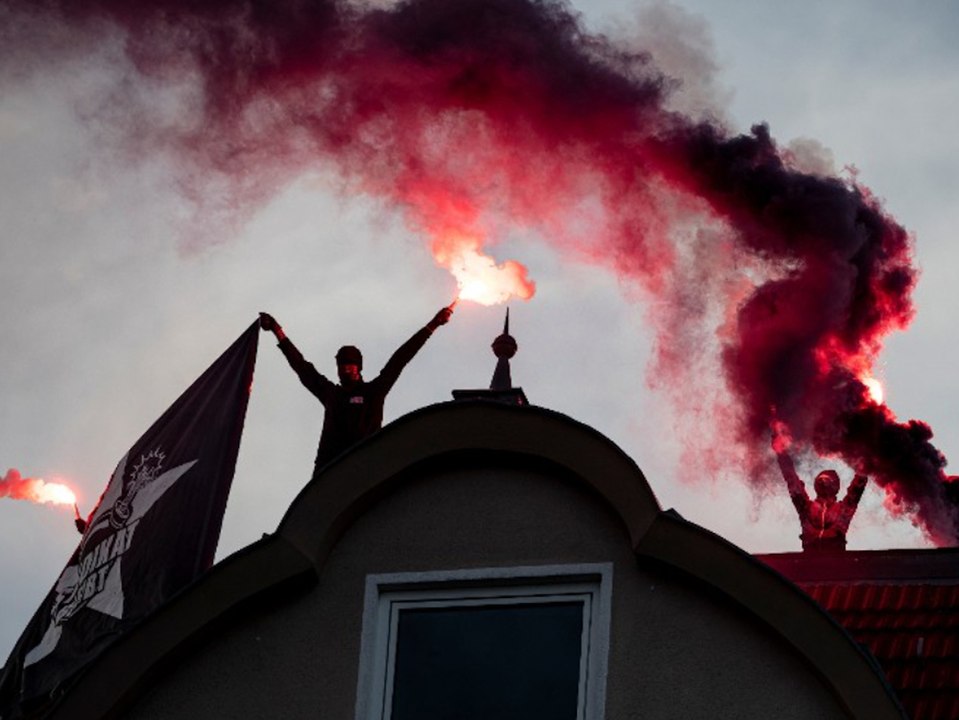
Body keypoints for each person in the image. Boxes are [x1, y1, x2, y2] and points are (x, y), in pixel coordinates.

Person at [259, 306, 453, 476]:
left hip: (365, 465)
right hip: (329, 468)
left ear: (359, 367)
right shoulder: (331, 394)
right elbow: (301, 366)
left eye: (351, 364)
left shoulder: (374, 392)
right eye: (342, 364)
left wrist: (433, 324)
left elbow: (400, 358)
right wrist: (277, 330)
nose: (346, 368)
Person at [772, 428, 867, 552]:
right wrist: (781, 452)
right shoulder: (806, 507)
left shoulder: (844, 510)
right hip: (809, 561)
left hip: (836, 562)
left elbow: (857, 487)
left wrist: (867, 456)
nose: (824, 483)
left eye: (828, 480)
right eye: (821, 480)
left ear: (835, 487)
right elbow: (791, 480)